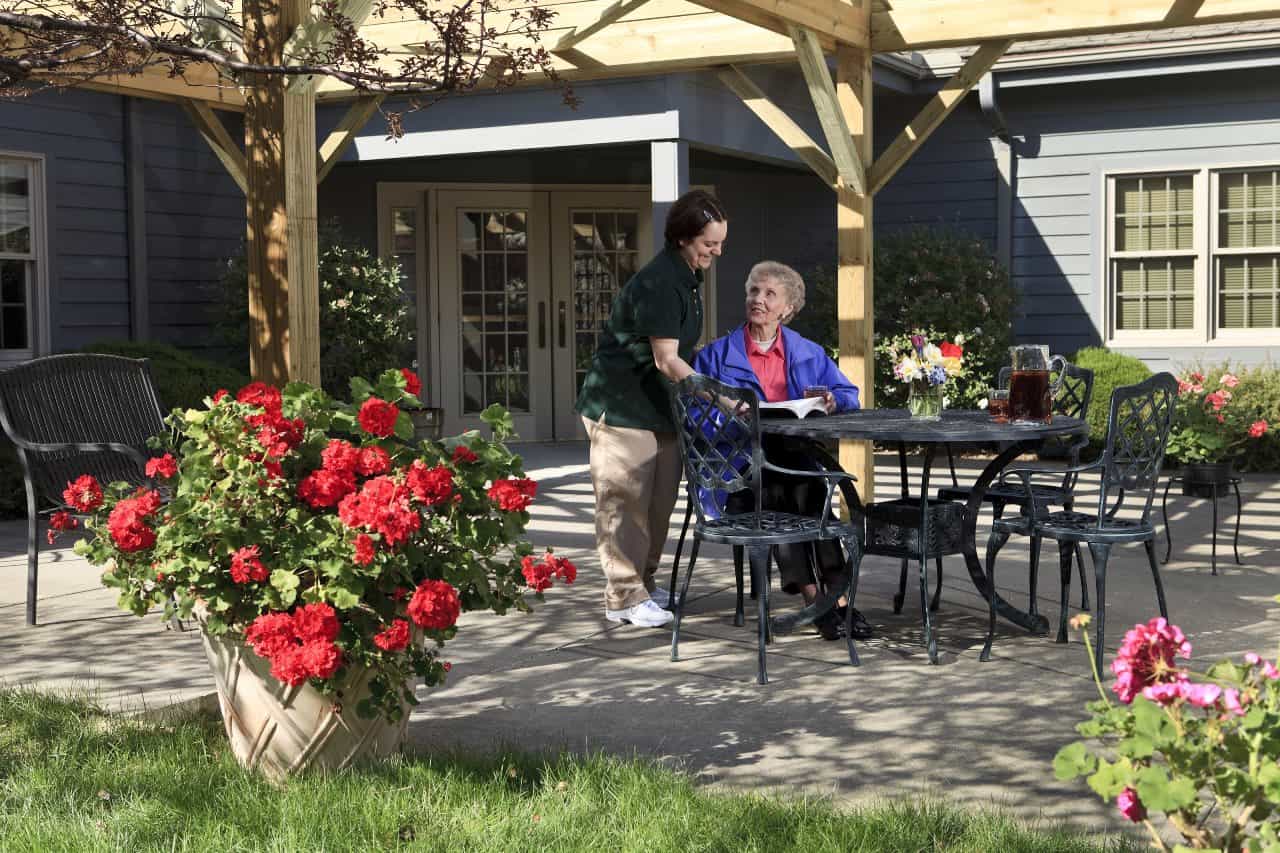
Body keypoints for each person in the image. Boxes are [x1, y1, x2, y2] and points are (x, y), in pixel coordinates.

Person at [692, 261, 872, 642]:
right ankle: (818, 601)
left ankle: (836, 601)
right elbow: (693, 418)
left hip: (792, 460)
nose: (758, 300)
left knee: (813, 492)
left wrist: (831, 400)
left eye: (769, 294)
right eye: (754, 291)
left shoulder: (808, 353)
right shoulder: (714, 357)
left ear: (787, 309)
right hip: (738, 471)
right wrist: (732, 418)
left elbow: (848, 394)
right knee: (781, 496)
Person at [576, 190, 728, 628]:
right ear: (683, 238)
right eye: (709, 244)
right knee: (624, 504)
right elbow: (667, 359)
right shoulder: (661, 281)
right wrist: (720, 397)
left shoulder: (687, 276)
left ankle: (643, 583)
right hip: (622, 407)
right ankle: (622, 596)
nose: (716, 253)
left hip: (659, 407)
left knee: (659, 503)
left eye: (719, 244)